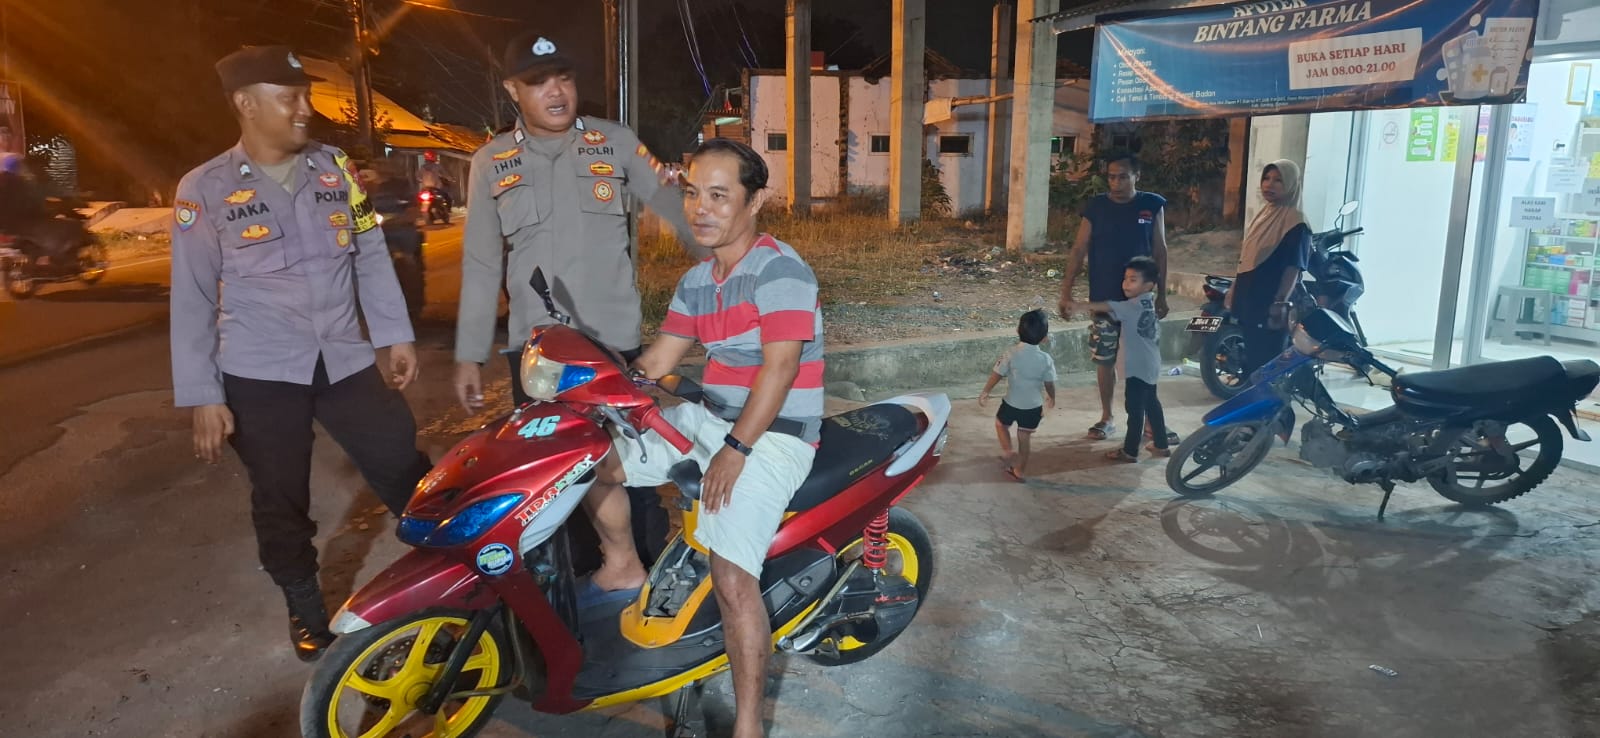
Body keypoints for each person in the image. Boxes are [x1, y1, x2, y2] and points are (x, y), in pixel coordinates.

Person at [169, 46, 433, 662]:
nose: (305, 108)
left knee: (403, 464)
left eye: (305, 95)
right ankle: (304, 603)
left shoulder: (333, 168)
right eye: (289, 97)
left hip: (344, 357)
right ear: (245, 103)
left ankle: (450, 572)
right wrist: (204, 394)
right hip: (260, 373)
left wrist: (393, 334)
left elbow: (368, 252)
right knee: (280, 496)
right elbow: (193, 296)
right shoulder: (204, 189)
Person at [588, 138, 822, 738]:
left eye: (719, 195)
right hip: (710, 416)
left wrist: (734, 452)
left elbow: (780, 370)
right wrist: (597, 388)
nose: (701, 209)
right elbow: (658, 360)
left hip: (775, 435)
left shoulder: (780, 270)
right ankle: (623, 566)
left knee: (732, 578)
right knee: (589, 460)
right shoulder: (698, 280)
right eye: (693, 193)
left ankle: (748, 724)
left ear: (754, 202)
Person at [453, 32, 702, 573]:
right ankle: (582, 580)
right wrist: (469, 354)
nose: (556, 91)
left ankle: (648, 575)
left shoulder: (615, 142)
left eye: (563, 78)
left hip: (613, 344)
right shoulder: (491, 161)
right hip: (538, 354)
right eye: (538, 82)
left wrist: (732, 269)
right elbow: (480, 263)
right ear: (513, 90)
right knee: (553, 478)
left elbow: (677, 212)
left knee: (632, 470)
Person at [1058, 150, 1172, 444]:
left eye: (1123, 177)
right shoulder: (1096, 207)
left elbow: (1160, 250)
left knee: (1143, 362)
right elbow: (1079, 249)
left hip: (1140, 302)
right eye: (1111, 177)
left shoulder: (1151, 205)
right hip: (1104, 297)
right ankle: (1107, 417)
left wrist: (1162, 294)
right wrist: (1066, 291)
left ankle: (1150, 422)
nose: (1116, 183)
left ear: (1137, 176)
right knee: (1105, 358)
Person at [1066, 256, 1173, 462]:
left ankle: (1130, 451)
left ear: (1148, 285)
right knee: (1151, 403)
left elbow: (1107, 306)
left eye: (1133, 280)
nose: (1126, 284)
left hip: (1137, 367)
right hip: (1150, 364)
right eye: (1125, 279)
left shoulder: (1131, 306)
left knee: (1134, 409)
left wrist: (1078, 306)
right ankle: (1161, 445)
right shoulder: (1148, 303)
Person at [1226, 160, 1311, 375]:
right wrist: (1235, 288)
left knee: (1267, 364)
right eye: (1266, 178)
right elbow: (1247, 259)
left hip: (1269, 302)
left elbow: (1293, 267)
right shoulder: (1265, 214)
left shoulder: (1296, 222)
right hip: (1250, 298)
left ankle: (1273, 397)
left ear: (1291, 185)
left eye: (1278, 180)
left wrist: (1280, 302)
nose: (1269, 184)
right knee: (1253, 361)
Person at [978, 309, 1057, 481]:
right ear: (1044, 338)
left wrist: (986, 391)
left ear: (1017, 330)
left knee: (1000, 424)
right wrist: (1052, 397)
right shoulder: (1046, 359)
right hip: (1033, 408)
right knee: (1024, 437)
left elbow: (997, 374)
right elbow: (1049, 384)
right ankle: (1020, 471)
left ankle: (1008, 451)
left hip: (1011, 404)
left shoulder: (1010, 353)